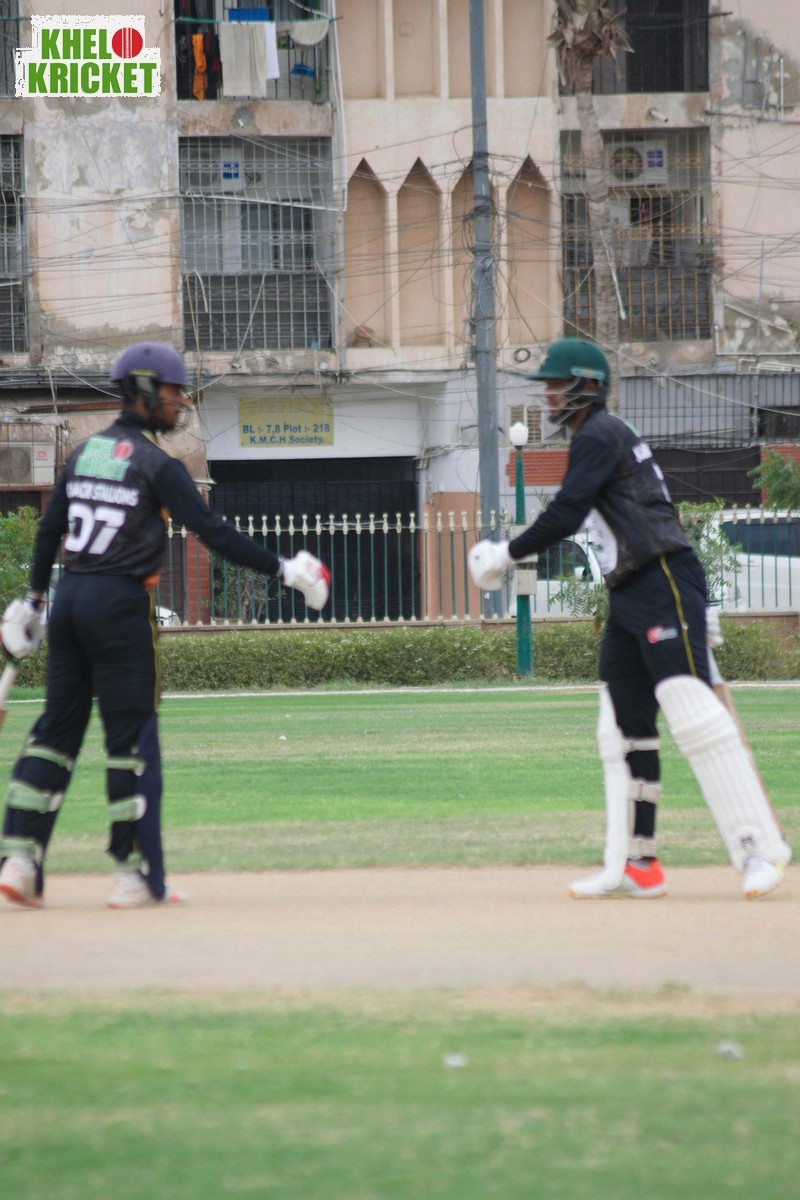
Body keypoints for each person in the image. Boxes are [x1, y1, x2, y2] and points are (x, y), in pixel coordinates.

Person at [0, 342, 330, 910]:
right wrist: (284, 569)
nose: (182, 401)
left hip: (70, 600)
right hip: (120, 606)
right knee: (130, 742)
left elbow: (50, 529)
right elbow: (212, 531)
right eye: (175, 391)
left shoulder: (83, 454)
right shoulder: (157, 465)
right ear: (146, 390)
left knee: (54, 733)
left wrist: (32, 600)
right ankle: (131, 876)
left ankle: (20, 860)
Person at [469, 337, 791, 900]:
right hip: (631, 590)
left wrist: (506, 553)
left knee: (693, 712)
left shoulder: (599, 433)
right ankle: (636, 863)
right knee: (623, 728)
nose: (547, 395)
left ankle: (756, 851)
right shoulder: (596, 437)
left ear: (587, 386)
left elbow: (567, 511)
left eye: (556, 384)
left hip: (663, 579)